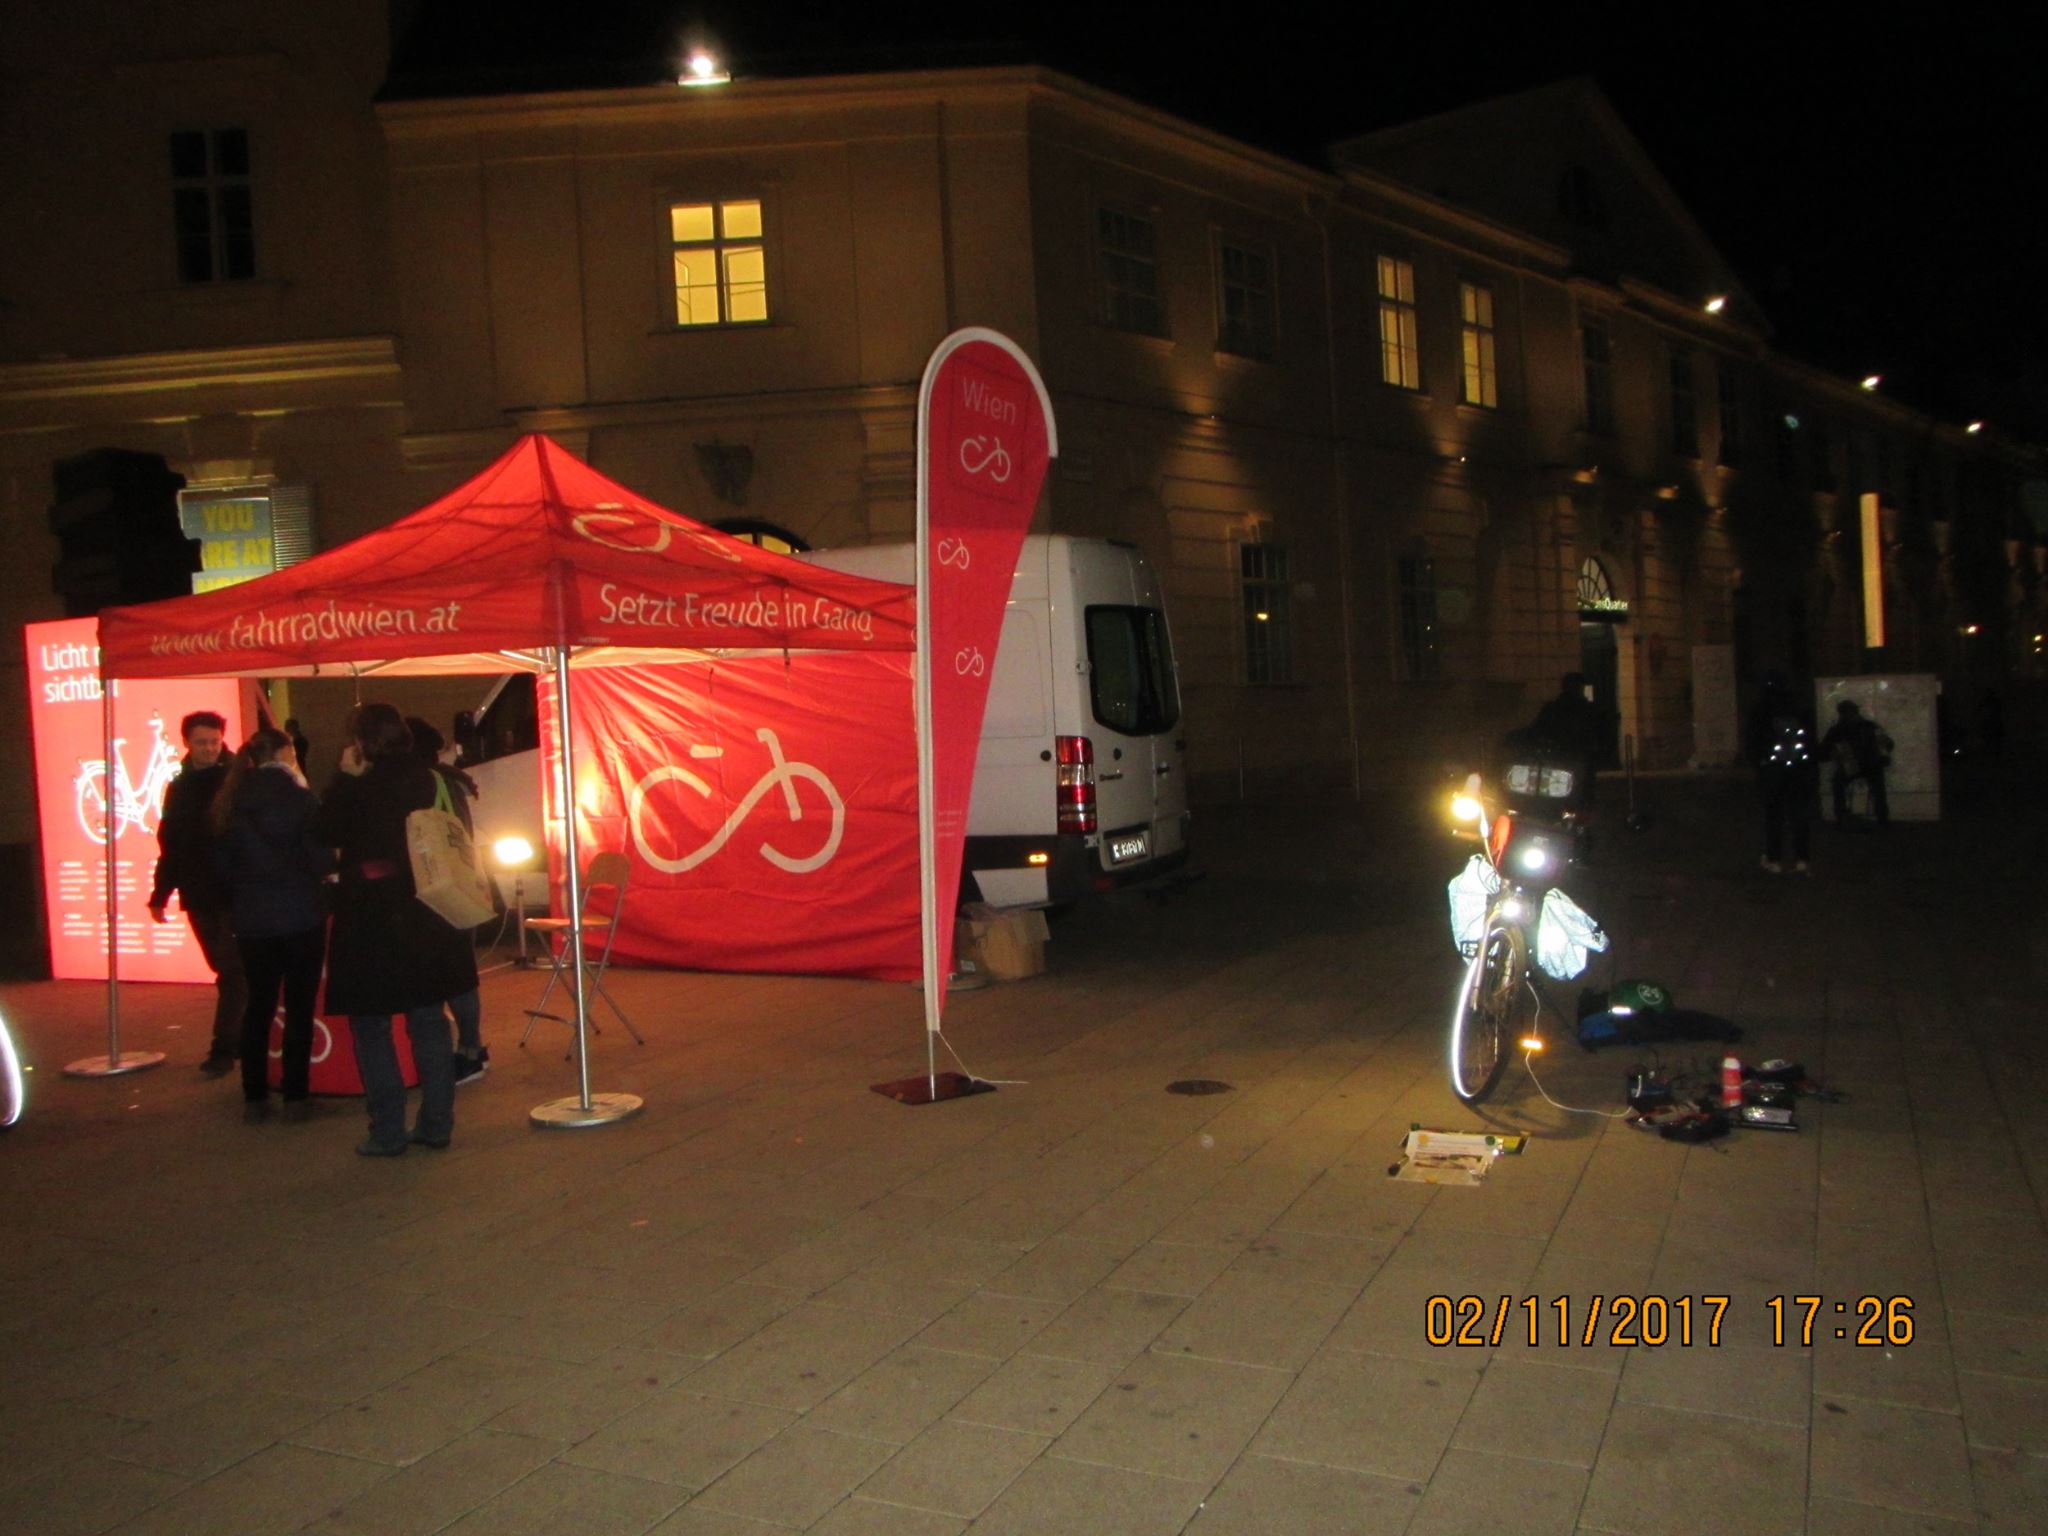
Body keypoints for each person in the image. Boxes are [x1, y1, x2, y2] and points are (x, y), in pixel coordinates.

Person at [316, 704, 477, 1156]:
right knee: (429, 1023)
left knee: (373, 1028)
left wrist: (345, 778)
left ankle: (387, 1131)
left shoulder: (361, 787)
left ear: (361, 742)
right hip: (428, 915)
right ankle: (437, 1124)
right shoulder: (430, 779)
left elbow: (323, 830)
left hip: (371, 922)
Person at [211, 728, 332, 1118]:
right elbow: (321, 859)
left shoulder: (230, 800)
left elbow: (222, 869)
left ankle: (254, 1096)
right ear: (285, 754)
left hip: (253, 919)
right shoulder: (302, 799)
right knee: (299, 1008)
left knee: (258, 1006)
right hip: (301, 914)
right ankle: (296, 1097)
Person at [147, 710, 247, 1074]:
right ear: (187, 743)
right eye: (202, 742)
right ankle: (239, 1039)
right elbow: (170, 843)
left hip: (232, 891)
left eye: (214, 741)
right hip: (200, 891)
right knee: (226, 968)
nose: (209, 748)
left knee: (233, 971)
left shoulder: (238, 780)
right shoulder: (180, 787)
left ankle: (225, 1047)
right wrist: (161, 892)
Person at [406, 716, 490, 1085]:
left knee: (445, 978)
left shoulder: (421, 782)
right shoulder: (450, 780)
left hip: (433, 889)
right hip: (460, 885)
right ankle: (472, 1048)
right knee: (461, 974)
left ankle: (463, 1053)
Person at [1745, 673, 1816, 874]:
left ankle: (1774, 859)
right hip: (1798, 768)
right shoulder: (1799, 707)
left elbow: (1753, 740)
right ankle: (1802, 858)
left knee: (1774, 815)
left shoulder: (1762, 709)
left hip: (1773, 768)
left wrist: (1758, 764)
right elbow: (1811, 739)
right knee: (1799, 815)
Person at [1819, 699, 1892, 827]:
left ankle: (1841, 816)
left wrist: (1834, 754)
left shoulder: (1839, 729)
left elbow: (1823, 751)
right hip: (1867, 764)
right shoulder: (1868, 726)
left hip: (1859, 764)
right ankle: (1881, 817)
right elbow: (1823, 751)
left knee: (1838, 782)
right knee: (1876, 785)